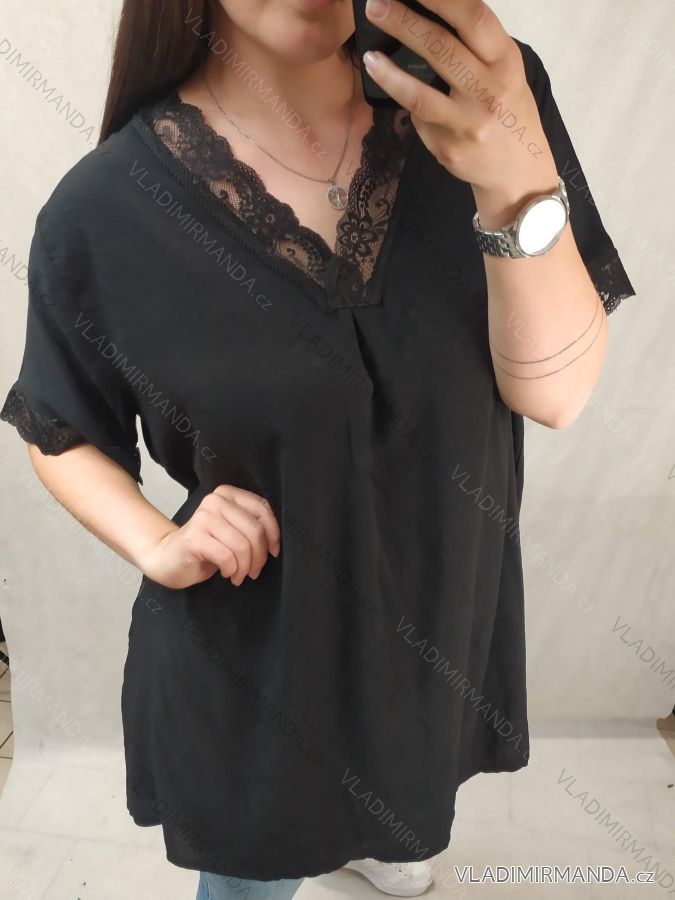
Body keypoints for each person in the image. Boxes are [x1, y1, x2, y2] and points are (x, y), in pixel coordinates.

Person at [1, 0, 636, 898]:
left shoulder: (481, 95)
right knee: (251, 880)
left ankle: (367, 830)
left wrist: (516, 186)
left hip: (428, 632)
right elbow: (58, 424)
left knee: (399, 796)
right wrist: (159, 542)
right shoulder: (104, 211)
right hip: (261, 676)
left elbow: (555, 396)